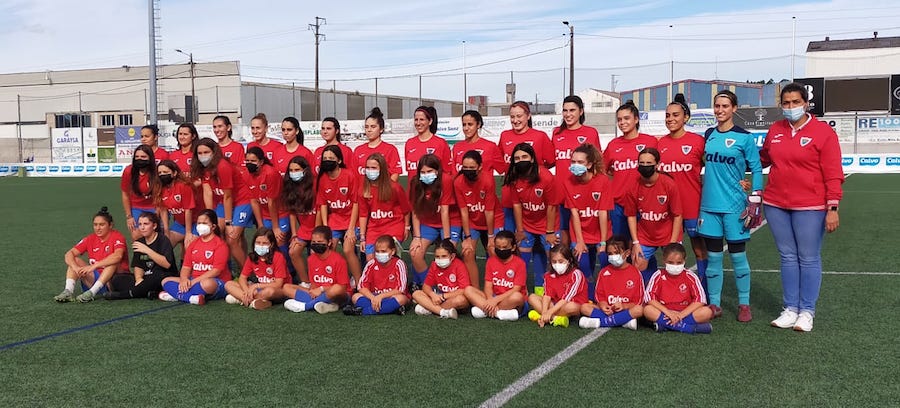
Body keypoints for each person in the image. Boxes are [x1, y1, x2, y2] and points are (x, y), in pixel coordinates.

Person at [761, 82, 844, 332]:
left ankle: (807, 311)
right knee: (787, 257)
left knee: (808, 258)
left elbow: (833, 172)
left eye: (795, 102)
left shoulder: (823, 132)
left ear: (806, 104)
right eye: (785, 103)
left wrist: (832, 207)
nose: (790, 107)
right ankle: (790, 308)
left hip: (810, 205)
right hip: (776, 204)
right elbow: (764, 157)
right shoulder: (775, 129)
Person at [700, 90, 763, 322]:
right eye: (717, 106)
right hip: (709, 206)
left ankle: (744, 304)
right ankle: (714, 303)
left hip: (735, 206)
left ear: (734, 109)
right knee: (714, 258)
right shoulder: (708, 134)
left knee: (738, 257)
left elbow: (756, 168)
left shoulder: (745, 138)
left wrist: (755, 195)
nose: (720, 110)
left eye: (725, 106)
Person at [657, 94, 708, 291]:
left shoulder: (698, 142)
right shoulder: (659, 144)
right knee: (671, 253)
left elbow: (712, 167)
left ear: (686, 117)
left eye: (675, 115)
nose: (670, 119)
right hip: (668, 211)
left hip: (693, 206)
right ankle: (672, 290)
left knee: (699, 249)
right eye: (667, 115)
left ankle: (703, 289)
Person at [505, 143, 562, 295]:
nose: (520, 160)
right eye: (517, 158)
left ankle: (556, 292)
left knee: (554, 259)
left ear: (532, 159)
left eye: (524, 157)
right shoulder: (514, 177)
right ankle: (521, 292)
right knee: (522, 257)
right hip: (527, 225)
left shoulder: (546, 176)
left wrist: (549, 232)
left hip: (548, 226)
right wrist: (520, 230)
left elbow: (551, 206)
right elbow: (517, 205)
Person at [624, 147, 683, 283]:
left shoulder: (669, 184)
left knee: (674, 267)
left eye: (649, 164)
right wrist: (636, 242)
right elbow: (631, 215)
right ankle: (647, 294)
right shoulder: (633, 186)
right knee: (637, 264)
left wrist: (673, 242)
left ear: (657, 165)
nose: (645, 167)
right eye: (642, 163)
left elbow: (677, 215)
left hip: (668, 234)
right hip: (646, 234)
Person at [603, 101, 659, 237]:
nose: (622, 122)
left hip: (643, 203)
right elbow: (603, 169)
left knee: (642, 244)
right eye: (619, 119)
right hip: (618, 205)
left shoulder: (650, 141)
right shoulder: (613, 144)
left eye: (626, 118)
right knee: (620, 245)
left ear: (636, 119)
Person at [562, 143, 613, 293]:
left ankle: (607, 295)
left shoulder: (603, 181)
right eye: (573, 162)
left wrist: (603, 242)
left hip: (600, 232)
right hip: (580, 233)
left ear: (589, 164)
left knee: (605, 265)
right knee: (583, 268)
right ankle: (589, 298)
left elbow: (603, 213)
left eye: (580, 162)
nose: (575, 165)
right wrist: (579, 241)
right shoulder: (568, 182)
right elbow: (574, 214)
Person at [498, 100, 555, 232]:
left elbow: (551, 161)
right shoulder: (505, 136)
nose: (515, 120)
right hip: (510, 195)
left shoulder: (540, 136)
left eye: (519, 116)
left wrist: (535, 173)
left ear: (528, 116)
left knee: (535, 239)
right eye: (512, 117)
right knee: (511, 238)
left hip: (534, 199)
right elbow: (501, 161)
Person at [554, 95, 602, 247]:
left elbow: (597, 163)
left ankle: (581, 268)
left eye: (572, 110)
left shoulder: (590, 132)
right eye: (565, 110)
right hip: (561, 192)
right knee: (563, 235)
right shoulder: (556, 133)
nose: (568, 114)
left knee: (583, 237)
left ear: (581, 111)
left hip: (583, 194)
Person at [54, 207, 130, 303]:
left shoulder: (117, 237)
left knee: (112, 263)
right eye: (95, 225)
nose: (98, 228)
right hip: (94, 279)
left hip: (113, 282)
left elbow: (118, 256)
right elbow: (69, 254)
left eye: (102, 225)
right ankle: (68, 291)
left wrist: (94, 266)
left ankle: (92, 293)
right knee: (75, 260)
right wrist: (75, 268)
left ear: (110, 225)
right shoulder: (90, 238)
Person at [408, 154, 461, 287]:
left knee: (449, 252)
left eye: (430, 171)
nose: (426, 175)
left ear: (437, 171)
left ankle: (452, 285)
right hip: (428, 222)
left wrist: (447, 239)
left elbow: (445, 211)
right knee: (415, 252)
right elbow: (415, 211)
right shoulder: (416, 183)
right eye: (423, 172)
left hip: (450, 221)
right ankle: (429, 286)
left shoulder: (446, 180)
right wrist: (416, 236)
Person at [454, 150, 504, 285]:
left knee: (494, 250)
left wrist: (491, 236)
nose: (468, 170)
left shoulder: (488, 180)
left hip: (493, 219)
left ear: (480, 167)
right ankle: (475, 291)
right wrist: (468, 237)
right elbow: (464, 211)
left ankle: (498, 289)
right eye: (465, 168)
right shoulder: (458, 182)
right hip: (472, 222)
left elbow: (489, 211)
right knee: (467, 252)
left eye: (471, 168)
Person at [160, 209, 230, 305]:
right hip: (193, 280)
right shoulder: (193, 244)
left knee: (207, 284)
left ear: (213, 226)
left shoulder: (220, 245)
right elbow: (186, 267)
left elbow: (216, 271)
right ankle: (191, 298)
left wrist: (193, 282)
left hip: (215, 281)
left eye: (204, 223)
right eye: (199, 223)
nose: (200, 226)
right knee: (165, 281)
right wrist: (184, 279)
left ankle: (177, 295)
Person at [315, 145, 362, 283]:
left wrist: (351, 228)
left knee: (348, 249)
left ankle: (359, 281)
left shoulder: (349, 175)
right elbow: (323, 204)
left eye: (331, 158)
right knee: (329, 248)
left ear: (339, 160)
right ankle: (335, 279)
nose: (327, 161)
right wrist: (325, 227)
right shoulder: (323, 179)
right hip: (334, 221)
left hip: (351, 220)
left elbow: (355, 203)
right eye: (325, 158)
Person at [105, 212, 178, 300]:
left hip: (163, 276)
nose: (142, 227)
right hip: (145, 278)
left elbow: (167, 264)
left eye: (146, 224)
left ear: (154, 226)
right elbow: (138, 265)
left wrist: (147, 250)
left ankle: (127, 294)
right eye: (140, 224)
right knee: (117, 279)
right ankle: (148, 292)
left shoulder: (163, 240)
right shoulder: (139, 242)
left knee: (158, 276)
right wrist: (139, 278)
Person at [643, 243, 713, 334]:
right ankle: (689, 328)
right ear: (664, 260)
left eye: (679, 263)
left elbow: (700, 299)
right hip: (664, 313)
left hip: (685, 313)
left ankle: (665, 325)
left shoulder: (690, 276)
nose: (675, 266)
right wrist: (668, 313)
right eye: (670, 262)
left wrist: (681, 315)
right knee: (648, 310)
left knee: (707, 312)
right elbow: (649, 298)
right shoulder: (658, 275)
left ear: (684, 261)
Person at [578, 236, 643, 330]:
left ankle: (601, 322)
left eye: (616, 253)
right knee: (584, 307)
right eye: (610, 254)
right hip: (607, 310)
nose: (613, 256)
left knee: (639, 310)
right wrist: (603, 305)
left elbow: (638, 302)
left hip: (625, 310)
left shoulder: (635, 273)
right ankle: (622, 321)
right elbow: (599, 296)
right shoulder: (604, 272)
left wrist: (623, 306)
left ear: (627, 253)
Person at [283, 226, 350, 314]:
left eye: (320, 242)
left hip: (338, 295)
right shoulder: (311, 259)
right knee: (286, 287)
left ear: (329, 242)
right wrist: (314, 291)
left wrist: (321, 289)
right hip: (319, 293)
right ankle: (326, 305)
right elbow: (314, 284)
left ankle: (306, 306)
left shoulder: (339, 260)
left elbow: (342, 288)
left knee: (336, 289)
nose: (316, 244)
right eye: (313, 242)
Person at [357, 153, 411, 262]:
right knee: (370, 260)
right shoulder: (363, 190)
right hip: (374, 228)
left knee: (387, 257)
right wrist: (363, 238)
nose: (370, 170)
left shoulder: (395, 187)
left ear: (381, 169)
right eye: (367, 168)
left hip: (393, 227)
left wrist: (406, 227)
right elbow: (363, 214)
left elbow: (406, 210)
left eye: (373, 168)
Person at [464, 231, 527, 321]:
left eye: (504, 247)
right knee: (468, 290)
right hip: (494, 297)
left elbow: (516, 289)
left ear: (513, 247)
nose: (501, 250)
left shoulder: (520, 263)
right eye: (498, 247)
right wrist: (490, 300)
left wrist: (495, 301)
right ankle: (499, 313)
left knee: (517, 296)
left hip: (509, 299)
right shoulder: (491, 261)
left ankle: (485, 311)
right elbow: (488, 286)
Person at [343, 235, 410, 316]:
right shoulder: (371, 263)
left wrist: (381, 296)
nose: (380, 254)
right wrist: (373, 298)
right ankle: (389, 309)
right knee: (355, 297)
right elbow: (361, 287)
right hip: (373, 296)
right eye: (377, 251)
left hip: (391, 296)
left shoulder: (399, 264)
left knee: (401, 299)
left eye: (383, 251)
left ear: (392, 251)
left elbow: (400, 289)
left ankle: (363, 312)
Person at [224, 227, 288, 310]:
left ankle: (241, 299)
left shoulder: (278, 257)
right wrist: (247, 291)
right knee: (228, 284)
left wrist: (256, 286)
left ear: (271, 244)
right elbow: (242, 278)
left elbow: (278, 284)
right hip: (258, 290)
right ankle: (252, 300)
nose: (260, 245)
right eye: (258, 242)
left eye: (264, 243)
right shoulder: (252, 257)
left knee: (269, 291)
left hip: (277, 291)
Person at [246, 146, 290, 263]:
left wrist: (275, 228)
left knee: (280, 241)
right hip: (265, 215)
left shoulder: (270, 173)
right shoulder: (248, 174)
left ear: (261, 161)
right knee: (263, 242)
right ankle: (268, 270)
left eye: (253, 161)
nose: (250, 164)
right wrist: (260, 225)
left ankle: (290, 271)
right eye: (248, 161)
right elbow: (254, 201)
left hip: (281, 213)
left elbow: (272, 202)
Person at [526, 245, 587, 328]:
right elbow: (547, 296)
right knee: (532, 297)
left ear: (569, 260)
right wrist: (545, 312)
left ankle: (543, 315)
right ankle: (555, 318)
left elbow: (567, 298)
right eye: (554, 262)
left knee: (572, 307)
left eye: (561, 261)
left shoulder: (576, 274)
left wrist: (549, 312)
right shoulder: (548, 275)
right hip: (555, 304)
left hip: (569, 304)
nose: (557, 264)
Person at [412, 239, 471, 319]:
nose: (440, 259)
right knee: (416, 293)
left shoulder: (459, 265)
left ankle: (430, 309)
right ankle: (443, 312)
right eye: (437, 257)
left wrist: (443, 296)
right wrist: (433, 295)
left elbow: (463, 290)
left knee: (461, 300)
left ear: (452, 256)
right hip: (438, 297)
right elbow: (426, 286)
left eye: (444, 256)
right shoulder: (434, 265)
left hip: (452, 299)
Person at [281, 156, 318, 284]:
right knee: (293, 251)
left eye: (297, 169)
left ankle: (317, 282)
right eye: (291, 170)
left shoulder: (315, 186)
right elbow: (292, 213)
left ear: (305, 170)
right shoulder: (290, 188)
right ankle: (305, 282)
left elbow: (320, 210)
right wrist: (295, 234)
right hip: (304, 229)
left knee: (315, 254)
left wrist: (317, 235)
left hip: (317, 228)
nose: (294, 173)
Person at [120, 145, 160, 240]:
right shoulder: (128, 171)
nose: (139, 159)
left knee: (157, 236)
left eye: (143, 157)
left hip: (154, 206)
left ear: (150, 158)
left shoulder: (157, 171)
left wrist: (158, 210)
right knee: (137, 235)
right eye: (137, 157)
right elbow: (125, 194)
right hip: (136, 207)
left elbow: (161, 193)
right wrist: (129, 216)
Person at [354, 107, 402, 182]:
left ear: (381, 129)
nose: (369, 130)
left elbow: (395, 173)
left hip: (383, 192)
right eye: (366, 127)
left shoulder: (390, 149)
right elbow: (354, 174)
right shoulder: (358, 150)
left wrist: (386, 190)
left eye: (373, 127)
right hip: (363, 192)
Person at [158, 159, 197, 250]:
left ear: (174, 173)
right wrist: (166, 230)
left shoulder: (183, 186)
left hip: (195, 222)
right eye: (159, 173)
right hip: (179, 224)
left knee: (189, 246)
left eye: (165, 172)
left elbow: (188, 210)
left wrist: (188, 233)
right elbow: (163, 210)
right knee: (164, 247)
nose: (162, 175)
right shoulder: (160, 189)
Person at [405, 106, 453, 176]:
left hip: (435, 186)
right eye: (416, 120)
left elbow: (447, 172)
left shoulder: (441, 143)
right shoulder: (409, 143)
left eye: (422, 119)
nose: (418, 123)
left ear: (430, 121)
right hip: (414, 187)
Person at [452, 110, 504, 174]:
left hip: (484, 184)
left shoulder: (491, 146)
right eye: (464, 125)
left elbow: (502, 169)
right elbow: (454, 174)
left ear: (478, 124)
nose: (466, 128)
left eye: (470, 124)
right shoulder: (457, 147)